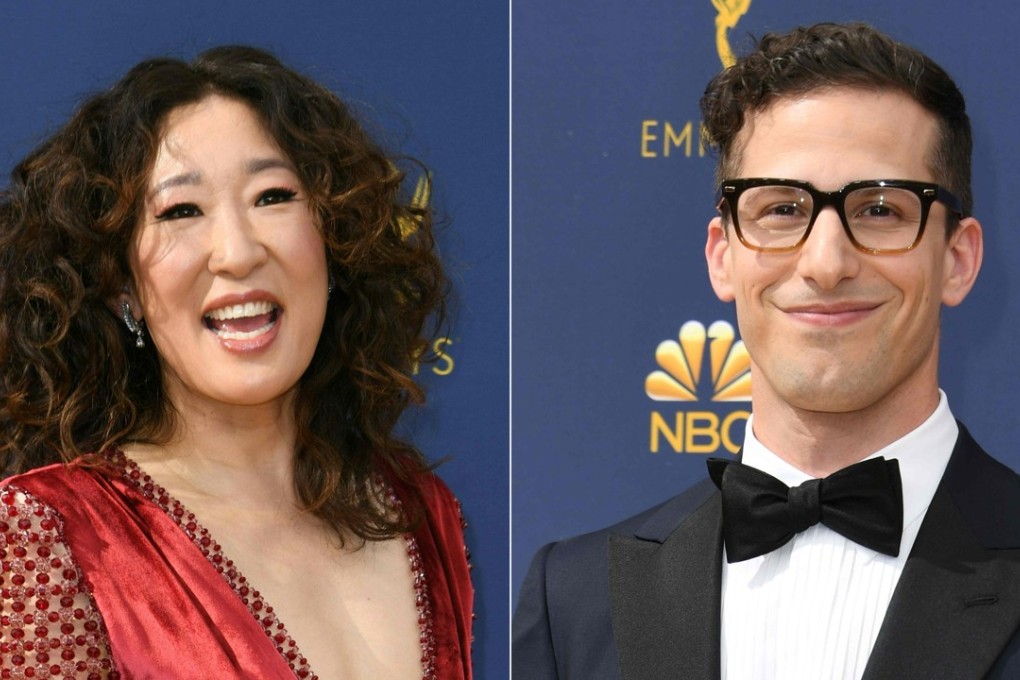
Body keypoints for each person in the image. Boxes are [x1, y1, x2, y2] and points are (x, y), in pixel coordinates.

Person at [513, 22, 1020, 679]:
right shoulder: (574, 601)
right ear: (723, 257)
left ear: (957, 259)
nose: (826, 262)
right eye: (782, 209)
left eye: (880, 210)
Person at [0, 46, 472, 679]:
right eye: (181, 211)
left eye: (272, 196)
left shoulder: (422, 510)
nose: (238, 251)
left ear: (333, 241)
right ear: (121, 285)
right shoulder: (51, 533)